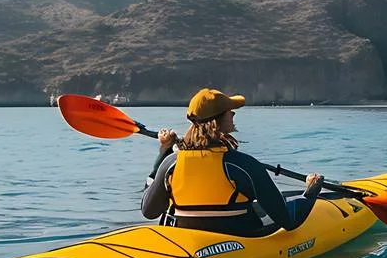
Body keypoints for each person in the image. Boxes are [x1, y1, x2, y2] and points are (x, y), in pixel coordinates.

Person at [139, 88, 324, 237]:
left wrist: (163, 153)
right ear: (217, 121)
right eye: (229, 111)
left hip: (186, 241)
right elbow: (288, 221)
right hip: (239, 239)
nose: (233, 114)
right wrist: (311, 191)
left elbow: (149, 211)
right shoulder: (241, 165)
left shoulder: (171, 163)